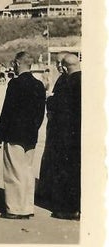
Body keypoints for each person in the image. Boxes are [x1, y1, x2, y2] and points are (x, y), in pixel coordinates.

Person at [0, 51, 46, 219]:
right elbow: (40, 113)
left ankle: (15, 208)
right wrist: (34, 129)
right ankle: (27, 207)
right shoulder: (39, 85)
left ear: (18, 63)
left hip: (14, 133)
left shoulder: (14, 84)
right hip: (31, 134)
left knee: (13, 172)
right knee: (27, 171)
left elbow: (7, 111)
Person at [49, 54, 81, 220]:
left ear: (66, 67)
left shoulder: (68, 83)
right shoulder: (88, 80)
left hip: (68, 135)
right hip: (84, 134)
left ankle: (70, 209)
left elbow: (57, 106)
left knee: (68, 172)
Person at [36, 54, 69, 207]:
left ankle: (48, 190)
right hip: (55, 124)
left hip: (58, 125)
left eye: (59, 63)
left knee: (52, 158)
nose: (58, 66)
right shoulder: (63, 79)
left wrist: (50, 99)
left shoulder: (65, 80)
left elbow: (57, 101)